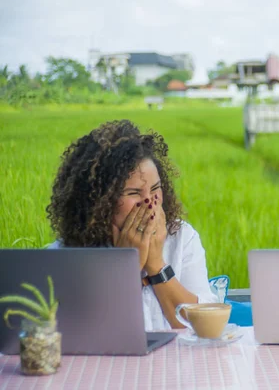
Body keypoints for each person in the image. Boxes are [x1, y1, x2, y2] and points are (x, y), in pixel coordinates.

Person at [46, 119, 217, 330]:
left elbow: (206, 326)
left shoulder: (182, 237)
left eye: (155, 189)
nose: (150, 201)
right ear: (101, 200)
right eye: (134, 193)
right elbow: (77, 334)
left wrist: (156, 265)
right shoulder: (65, 253)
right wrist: (126, 266)